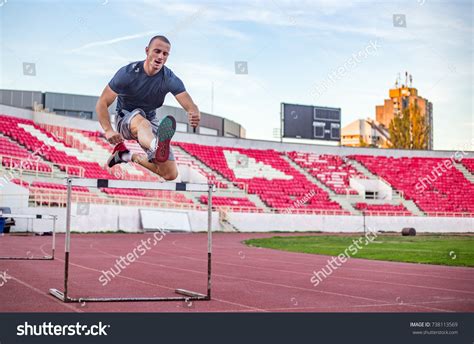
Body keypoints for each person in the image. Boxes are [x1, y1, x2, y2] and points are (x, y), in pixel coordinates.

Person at [96, 35, 200, 181]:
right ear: (147, 51)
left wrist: (193, 111)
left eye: (165, 54)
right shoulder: (128, 73)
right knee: (142, 122)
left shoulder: (169, 78)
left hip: (150, 119)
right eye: (157, 51)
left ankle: (125, 155)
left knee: (170, 174)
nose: (160, 57)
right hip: (125, 117)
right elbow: (102, 102)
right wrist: (108, 129)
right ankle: (156, 146)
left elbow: (186, 100)